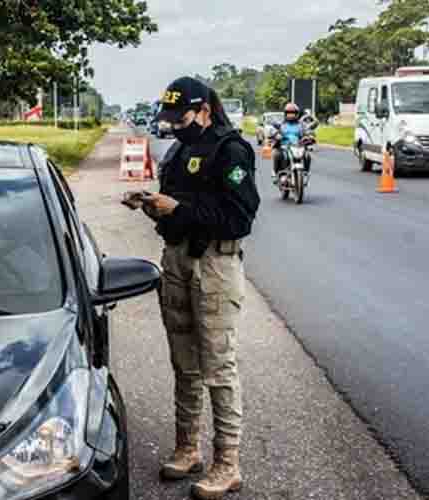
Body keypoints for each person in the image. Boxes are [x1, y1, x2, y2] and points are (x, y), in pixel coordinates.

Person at [133, 76, 259, 499]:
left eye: (180, 117)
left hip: (215, 266)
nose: (174, 126)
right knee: (183, 362)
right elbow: (177, 214)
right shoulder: (179, 151)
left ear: (204, 109)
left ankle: (228, 463)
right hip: (177, 260)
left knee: (217, 367)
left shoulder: (232, 149)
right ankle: (188, 448)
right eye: (169, 119)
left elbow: (239, 218)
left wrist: (180, 209)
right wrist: (154, 206)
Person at [272, 102, 313, 181]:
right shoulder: (282, 124)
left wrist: (309, 137)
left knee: (308, 155)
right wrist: (277, 136)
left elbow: (306, 132)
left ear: (296, 114)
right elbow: (275, 132)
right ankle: (276, 173)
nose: (291, 115)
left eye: (293, 113)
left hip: (298, 146)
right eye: (289, 113)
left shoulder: (301, 125)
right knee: (276, 154)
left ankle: (305, 172)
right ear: (285, 114)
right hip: (284, 147)